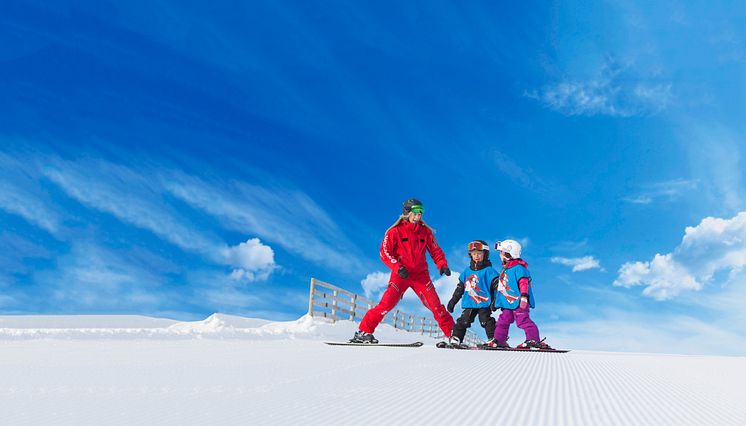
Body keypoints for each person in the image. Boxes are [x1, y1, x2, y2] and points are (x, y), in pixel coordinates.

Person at [350, 198, 454, 343]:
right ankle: (363, 332)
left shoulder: (425, 232)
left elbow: (435, 251)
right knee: (386, 304)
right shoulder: (395, 232)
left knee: (436, 306)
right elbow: (384, 252)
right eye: (416, 213)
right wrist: (397, 267)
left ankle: (453, 335)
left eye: (420, 213)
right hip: (401, 274)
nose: (418, 216)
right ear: (407, 213)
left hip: (421, 276)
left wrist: (442, 264)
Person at [489, 239, 552, 349]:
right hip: (508, 303)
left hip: (519, 302)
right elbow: (502, 288)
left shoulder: (519, 268)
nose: (500, 255)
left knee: (522, 320)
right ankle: (499, 340)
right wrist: (496, 302)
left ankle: (533, 339)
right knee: (503, 321)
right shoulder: (505, 270)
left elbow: (524, 282)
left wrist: (524, 296)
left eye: (501, 252)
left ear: (508, 254)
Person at [445, 240, 499, 348]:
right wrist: (453, 301)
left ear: (485, 254)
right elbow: (460, 288)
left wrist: (495, 301)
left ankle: (494, 339)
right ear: (470, 255)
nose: (477, 256)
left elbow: (498, 287)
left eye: (479, 253)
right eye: (474, 254)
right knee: (463, 321)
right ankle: (456, 338)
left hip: (484, 302)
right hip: (470, 302)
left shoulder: (489, 271)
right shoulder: (466, 272)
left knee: (485, 321)